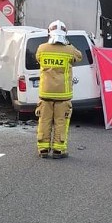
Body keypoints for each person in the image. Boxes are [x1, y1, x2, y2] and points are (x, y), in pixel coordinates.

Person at [35, 20, 82, 159]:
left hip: (45, 93)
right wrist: (68, 44)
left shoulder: (42, 48)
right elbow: (79, 57)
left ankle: (43, 149)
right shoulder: (69, 50)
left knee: (44, 121)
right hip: (63, 94)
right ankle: (58, 150)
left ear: (49, 33)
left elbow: (38, 59)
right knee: (61, 121)